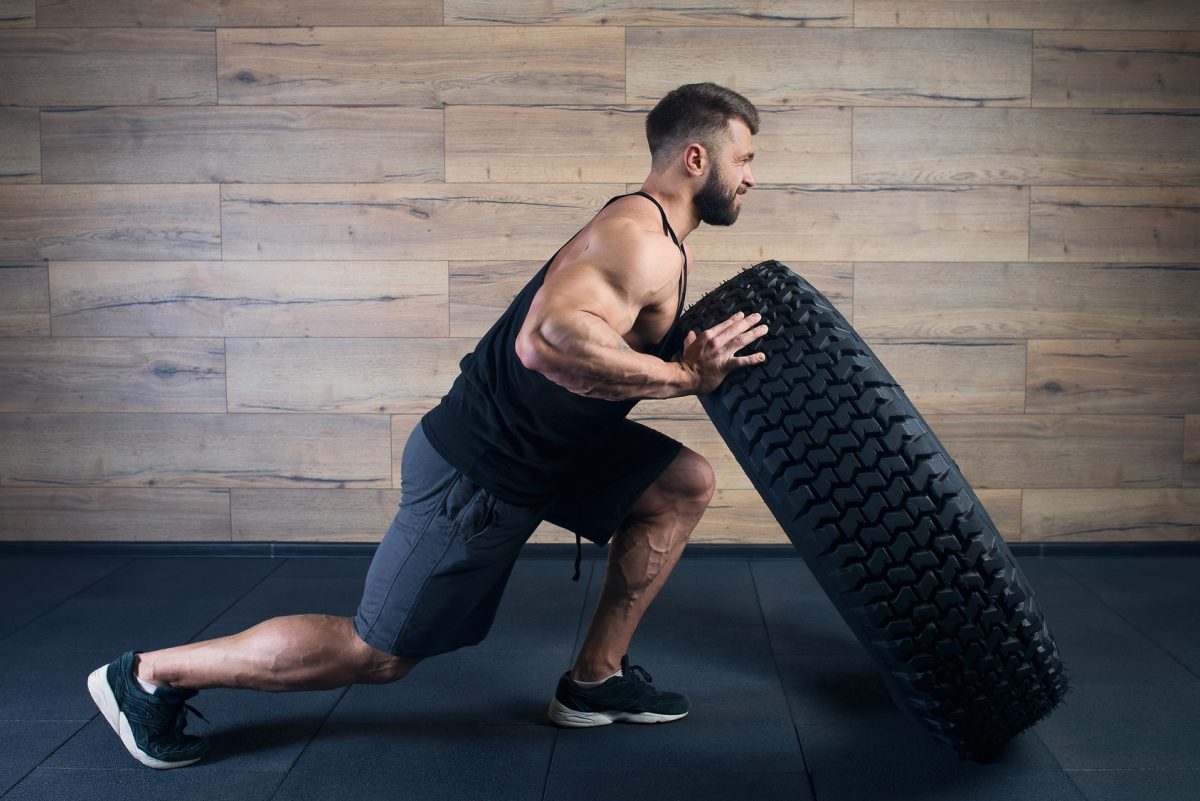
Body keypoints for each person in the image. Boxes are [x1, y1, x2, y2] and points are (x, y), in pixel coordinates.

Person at [87, 82, 767, 769]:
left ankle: (595, 678)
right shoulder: (639, 240)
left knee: (681, 484)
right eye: (743, 158)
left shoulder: (659, 237)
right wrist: (684, 377)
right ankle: (149, 675)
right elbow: (547, 340)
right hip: (479, 472)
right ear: (694, 159)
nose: (751, 176)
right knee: (377, 653)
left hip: (551, 449)